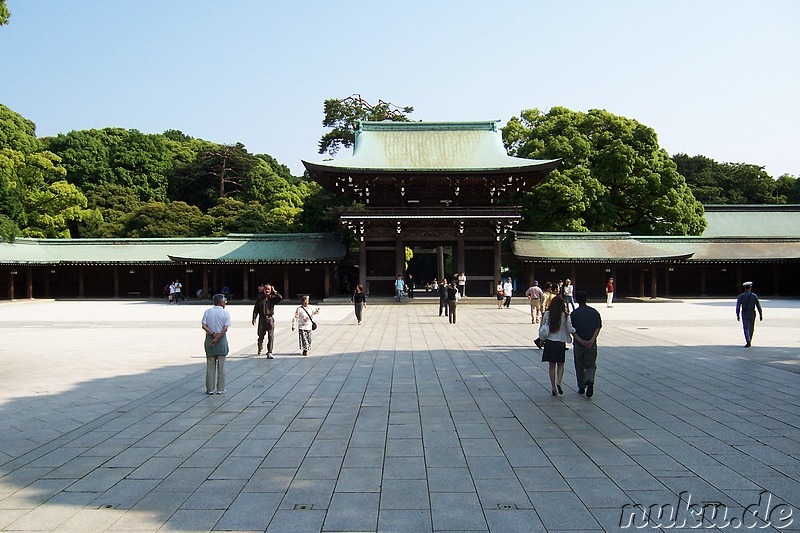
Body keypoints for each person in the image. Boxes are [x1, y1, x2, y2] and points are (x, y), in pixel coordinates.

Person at [539, 295, 575, 396]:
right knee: (561, 364)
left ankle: (553, 386)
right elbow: (570, 328)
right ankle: (559, 382)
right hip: (560, 343)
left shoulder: (547, 314)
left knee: (551, 365)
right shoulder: (565, 315)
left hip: (550, 342)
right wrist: (576, 332)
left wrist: (542, 340)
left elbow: (542, 327)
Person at [570, 291, 602, 397]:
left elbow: (572, 330)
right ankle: (590, 380)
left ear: (576, 300)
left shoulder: (574, 314)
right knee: (591, 364)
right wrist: (592, 340)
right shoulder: (594, 312)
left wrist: (580, 340)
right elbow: (598, 327)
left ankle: (581, 386)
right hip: (591, 344)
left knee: (579, 365)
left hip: (579, 344)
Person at [201, 294, 231, 395]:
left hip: (210, 339)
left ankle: (210, 389)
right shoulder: (225, 313)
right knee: (222, 366)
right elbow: (225, 328)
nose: (225, 303)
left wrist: (213, 335)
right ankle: (220, 388)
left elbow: (204, 325)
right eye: (225, 301)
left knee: (210, 365)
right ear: (221, 302)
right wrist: (218, 337)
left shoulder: (208, 312)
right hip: (221, 339)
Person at [252, 283, 283, 358]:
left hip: (270, 319)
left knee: (271, 336)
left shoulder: (272, 298)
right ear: (263, 290)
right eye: (266, 289)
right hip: (262, 319)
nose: (267, 291)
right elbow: (256, 309)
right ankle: (260, 346)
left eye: (269, 289)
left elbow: (280, 298)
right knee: (261, 336)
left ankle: (269, 351)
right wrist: (254, 318)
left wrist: (274, 291)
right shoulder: (260, 298)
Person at [736, 281, 763, 348]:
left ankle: (747, 340)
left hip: (744, 312)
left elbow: (738, 306)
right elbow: (758, 305)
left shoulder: (741, 296)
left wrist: (738, 314)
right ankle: (750, 339)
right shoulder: (754, 296)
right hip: (752, 312)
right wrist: (760, 314)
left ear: (744, 288)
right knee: (751, 327)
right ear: (750, 287)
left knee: (745, 327)